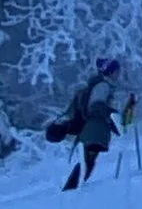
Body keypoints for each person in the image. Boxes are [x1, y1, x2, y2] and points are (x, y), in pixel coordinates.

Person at [47, 58, 129, 189]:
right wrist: (114, 116)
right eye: (116, 71)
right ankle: (72, 189)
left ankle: (72, 188)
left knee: (87, 161)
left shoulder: (98, 85)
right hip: (95, 130)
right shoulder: (103, 85)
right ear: (110, 72)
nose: (118, 74)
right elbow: (96, 106)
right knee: (88, 161)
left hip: (92, 129)